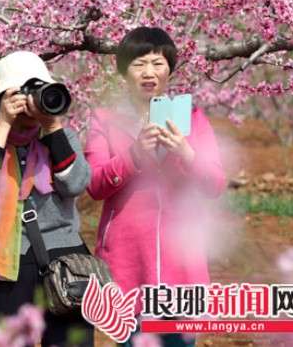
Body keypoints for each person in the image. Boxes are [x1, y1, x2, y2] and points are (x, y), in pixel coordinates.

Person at [84, 27, 227, 346]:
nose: (149, 72)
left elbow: (215, 183)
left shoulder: (192, 118)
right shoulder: (105, 120)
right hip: (129, 260)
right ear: (124, 72)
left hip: (181, 261)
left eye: (158, 63)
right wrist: (134, 155)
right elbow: (94, 185)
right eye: (139, 64)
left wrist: (186, 153)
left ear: (170, 69)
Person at [0, 51, 94, 347]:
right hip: (5, 265)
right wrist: (3, 124)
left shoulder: (62, 139)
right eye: (19, 93)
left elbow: (75, 183)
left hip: (64, 260)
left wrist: (53, 126)